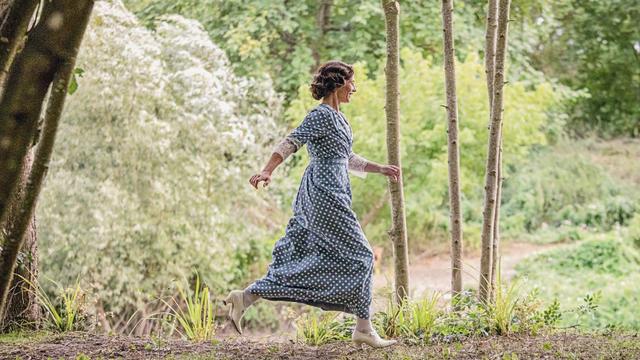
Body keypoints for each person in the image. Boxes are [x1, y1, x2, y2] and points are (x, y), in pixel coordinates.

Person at [224, 60, 400, 348]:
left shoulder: (340, 119)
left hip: (336, 190)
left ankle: (247, 297)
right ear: (339, 83)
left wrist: (381, 168)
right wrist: (268, 170)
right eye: (352, 82)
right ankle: (363, 328)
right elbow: (291, 141)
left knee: (327, 257)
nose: (354, 88)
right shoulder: (319, 116)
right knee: (364, 255)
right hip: (323, 192)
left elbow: (347, 158)